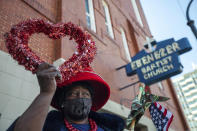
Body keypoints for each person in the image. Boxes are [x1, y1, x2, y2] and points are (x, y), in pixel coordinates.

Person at [7, 62, 125, 131]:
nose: (80, 98)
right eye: (74, 94)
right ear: (63, 102)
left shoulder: (105, 128)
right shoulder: (46, 124)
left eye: (85, 94)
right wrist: (46, 92)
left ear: (91, 102)